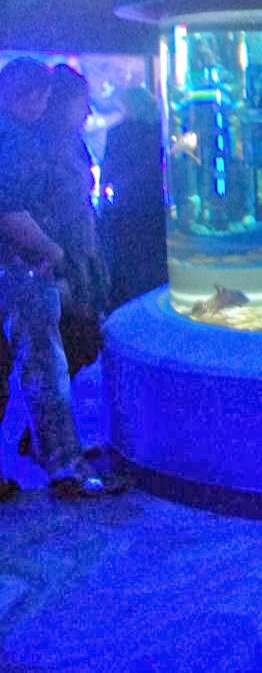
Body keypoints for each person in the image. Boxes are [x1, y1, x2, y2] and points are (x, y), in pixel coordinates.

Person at [0, 58, 125, 499]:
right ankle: (66, 468)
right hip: (23, 269)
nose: (41, 102)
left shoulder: (27, 138)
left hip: (26, 266)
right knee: (46, 367)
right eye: (36, 95)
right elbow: (16, 211)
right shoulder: (16, 142)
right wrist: (54, 254)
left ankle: (53, 455)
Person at [35, 66, 109, 376]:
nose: (89, 111)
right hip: (59, 270)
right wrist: (59, 272)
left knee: (81, 351)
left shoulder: (73, 145)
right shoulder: (38, 153)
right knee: (68, 354)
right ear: (61, 102)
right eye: (82, 101)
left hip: (80, 266)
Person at [100, 84, 168, 307]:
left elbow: (108, 171)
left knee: (130, 264)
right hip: (157, 205)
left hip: (127, 207)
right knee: (156, 260)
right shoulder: (161, 131)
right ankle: (159, 302)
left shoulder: (118, 133)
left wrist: (104, 197)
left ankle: (131, 309)